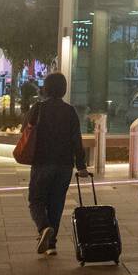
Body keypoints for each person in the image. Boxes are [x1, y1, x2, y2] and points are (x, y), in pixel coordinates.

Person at [26, 72, 89, 255]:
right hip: (64, 165)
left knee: (36, 200)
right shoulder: (70, 111)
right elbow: (76, 140)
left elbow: (26, 130)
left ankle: (44, 227)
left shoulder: (38, 108)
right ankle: (51, 244)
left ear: (45, 88)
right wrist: (82, 165)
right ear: (64, 89)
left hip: (42, 162)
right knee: (56, 202)